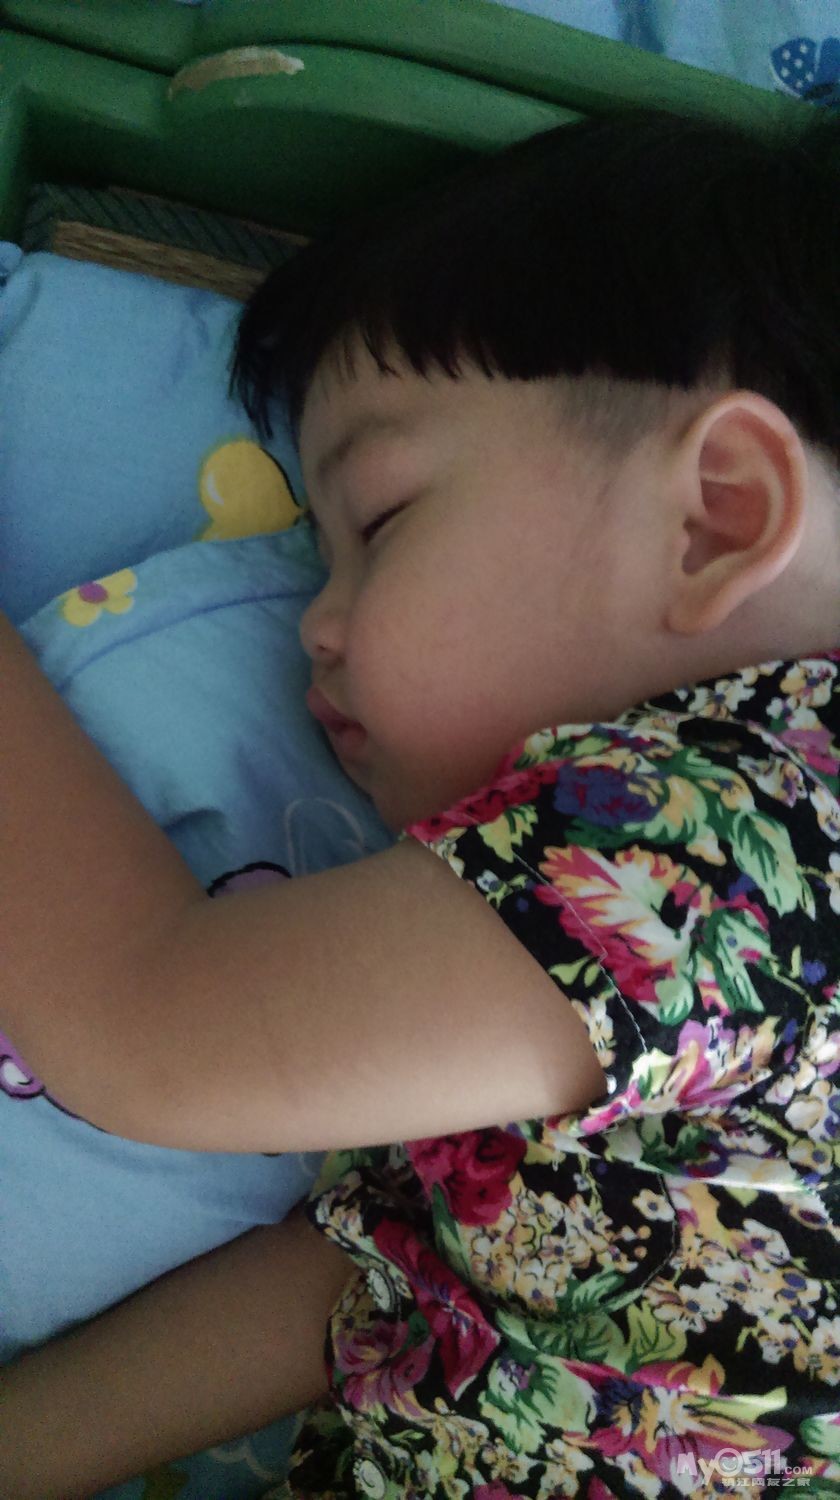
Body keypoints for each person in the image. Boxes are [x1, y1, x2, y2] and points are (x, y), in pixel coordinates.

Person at [2, 105, 840, 1498]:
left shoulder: (762, 823)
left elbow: (150, 1014)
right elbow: (359, 1290)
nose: (312, 626)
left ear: (715, 516)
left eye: (380, 523)